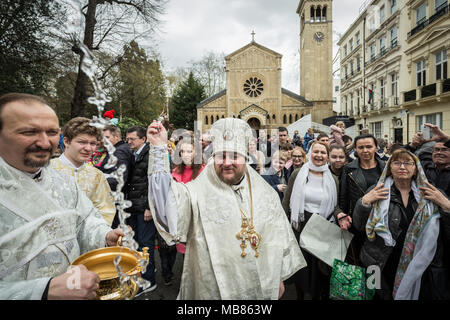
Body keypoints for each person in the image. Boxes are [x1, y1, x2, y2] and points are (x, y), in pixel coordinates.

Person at [146, 117, 306, 299]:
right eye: (221, 156)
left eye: (234, 156)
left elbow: (277, 238)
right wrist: (159, 148)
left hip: (257, 285)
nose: (227, 162)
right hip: (213, 288)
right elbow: (167, 205)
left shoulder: (265, 193)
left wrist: (277, 278)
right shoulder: (197, 190)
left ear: (246, 158)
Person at [0, 93, 123, 299]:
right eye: (29, 131)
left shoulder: (64, 183)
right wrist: (42, 291)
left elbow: (85, 222)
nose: (44, 142)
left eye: (51, 132)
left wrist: (105, 236)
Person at [352, 148, 450, 300]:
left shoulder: (431, 193)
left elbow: (446, 230)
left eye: (407, 163)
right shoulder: (377, 190)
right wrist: (364, 202)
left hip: (419, 263)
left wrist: (446, 205)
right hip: (377, 263)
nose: (402, 167)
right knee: (375, 295)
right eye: (397, 163)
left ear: (416, 168)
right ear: (389, 167)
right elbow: (359, 226)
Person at [282, 141, 345, 300]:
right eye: (316, 152)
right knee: (301, 268)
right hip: (300, 224)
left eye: (323, 153)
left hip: (322, 226)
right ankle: (300, 296)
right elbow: (287, 200)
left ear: (327, 156)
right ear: (310, 153)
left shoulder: (333, 179)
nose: (319, 155)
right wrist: (282, 225)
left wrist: (340, 215)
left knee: (319, 270)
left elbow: (335, 205)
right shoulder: (298, 174)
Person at [49, 117, 116, 226]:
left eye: (93, 143)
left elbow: (106, 211)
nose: (88, 148)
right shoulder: (47, 170)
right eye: (82, 142)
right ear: (66, 141)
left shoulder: (96, 176)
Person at [339, 134, 386, 265]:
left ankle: (374, 284)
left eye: (369, 146)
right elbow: (344, 197)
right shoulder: (348, 169)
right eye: (361, 147)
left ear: (376, 148)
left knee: (377, 261)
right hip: (357, 223)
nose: (365, 150)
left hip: (381, 223)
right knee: (359, 260)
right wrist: (343, 217)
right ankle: (363, 285)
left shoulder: (386, 168)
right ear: (356, 150)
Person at [124, 125, 157, 293]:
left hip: (145, 209)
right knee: (135, 244)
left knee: (146, 245)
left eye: (132, 139)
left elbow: (155, 183)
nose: (128, 142)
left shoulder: (152, 154)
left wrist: (149, 207)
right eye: (127, 139)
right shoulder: (132, 153)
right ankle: (141, 275)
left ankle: (149, 281)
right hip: (133, 206)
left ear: (143, 139)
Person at [407, 123, 450, 197]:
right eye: (436, 149)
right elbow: (398, 159)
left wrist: (446, 138)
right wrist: (412, 145)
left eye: (444, 150)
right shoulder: (425, 166)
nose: (439, 152)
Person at [99, 125, 133, 193]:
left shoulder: (118, 152)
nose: (103, 140)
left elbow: (117, 180)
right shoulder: (117, 149)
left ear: (117, 136)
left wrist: (96, 180)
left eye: (107, 137)